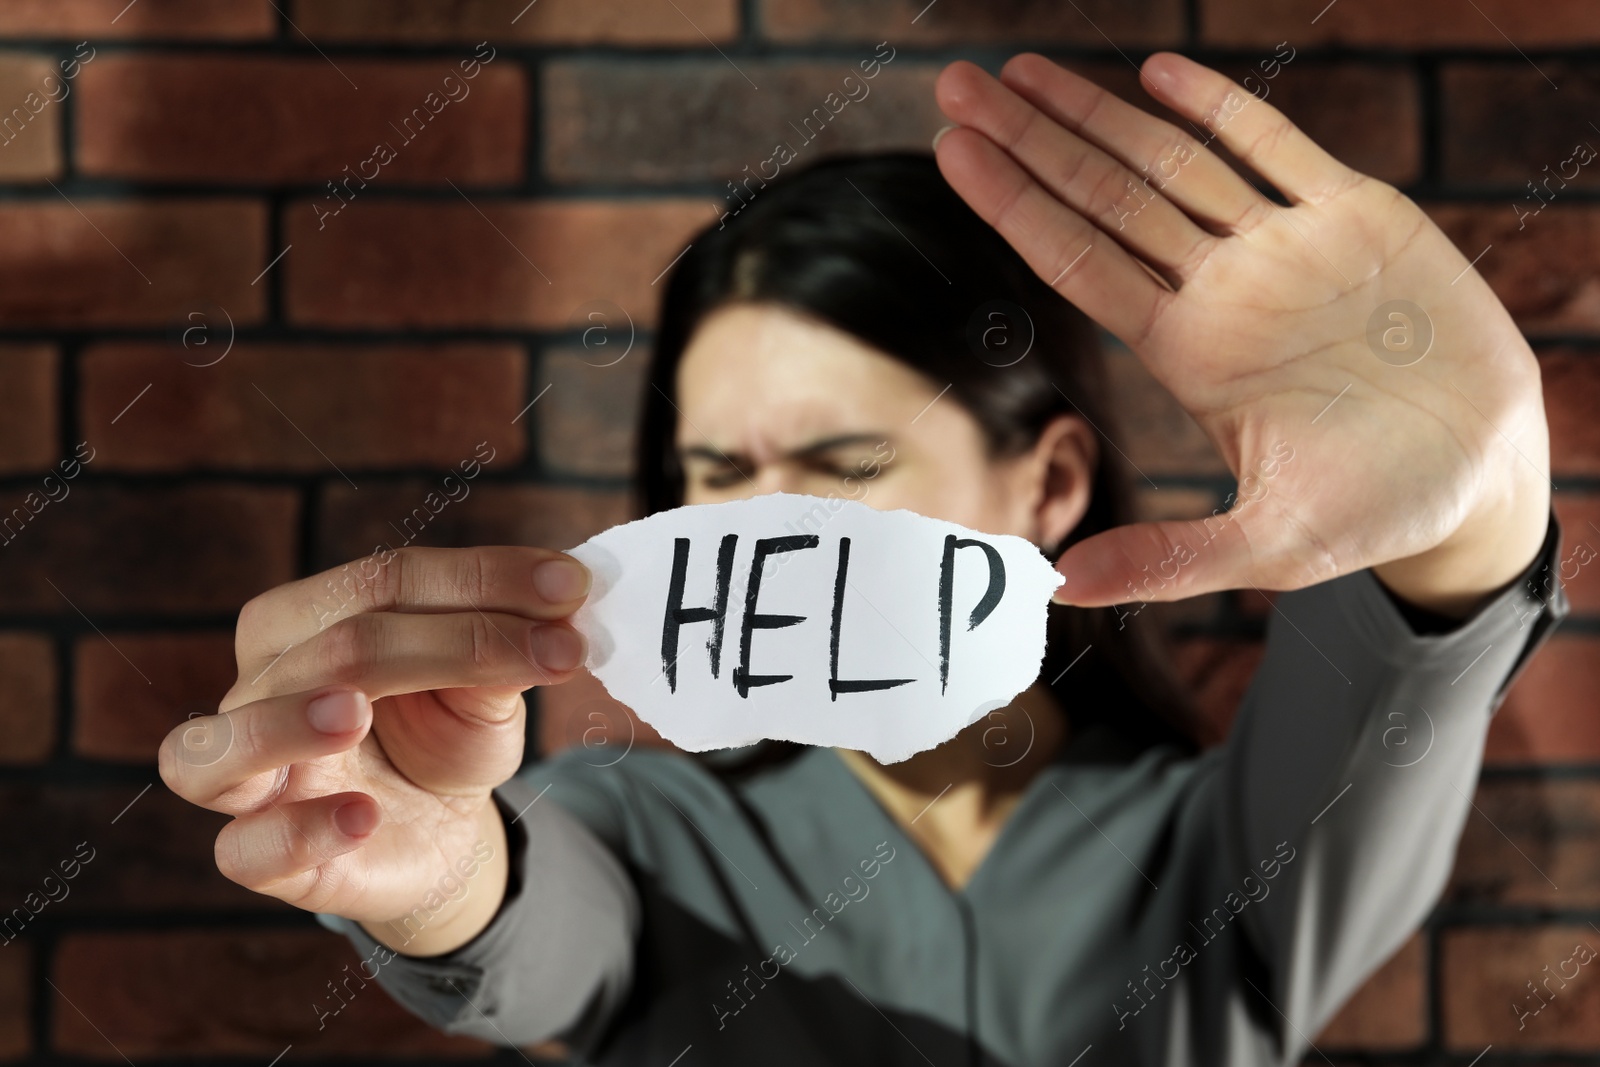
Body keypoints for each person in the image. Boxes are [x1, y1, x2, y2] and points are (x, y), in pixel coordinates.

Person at [161, 53, 1567, 1066]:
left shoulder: (1217, 854)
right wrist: (436, 871)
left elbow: (1409, 664)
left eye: (845, 471)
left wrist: (1477, 488)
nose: (765, 532)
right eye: (718, 477)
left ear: (1050, 482)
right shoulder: (643, 834)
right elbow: (527, 924)